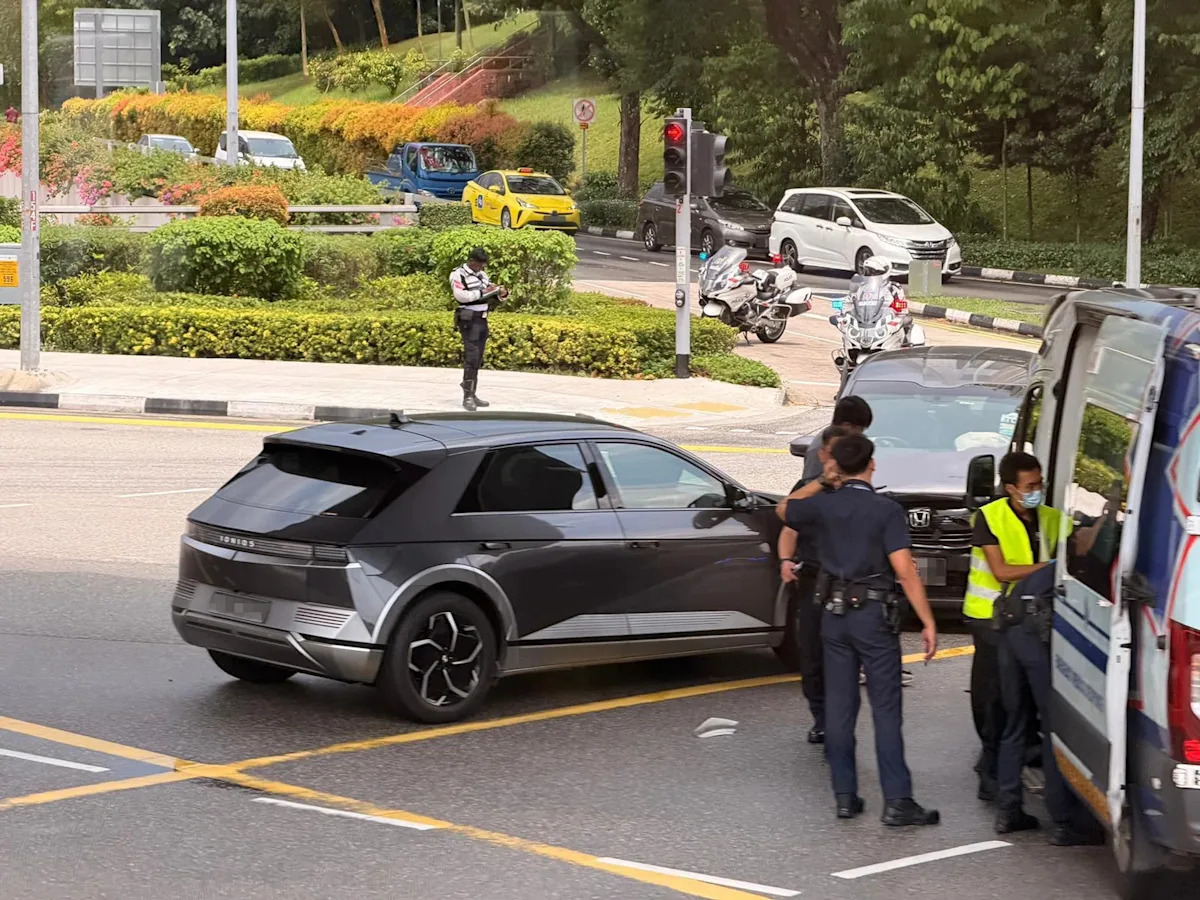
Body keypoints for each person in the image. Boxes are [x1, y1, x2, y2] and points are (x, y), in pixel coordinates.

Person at [778, 433, 940, 825]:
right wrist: (928, 620)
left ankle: (845, 796)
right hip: (872, 614)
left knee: (840, 705)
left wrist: (821, 480)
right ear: (872, 464)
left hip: (833, 613)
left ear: (836, 465)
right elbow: (905, 570)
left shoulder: (822, 505)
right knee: (885, 708)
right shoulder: (885, 511)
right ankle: (898, 801)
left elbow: (784, 509)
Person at [979, 452, 1104, 846]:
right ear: (1010, 487)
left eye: (1040, 484)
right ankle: (1065, 820)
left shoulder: (1051, 518)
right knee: (1048, 722)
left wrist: (1105, 519)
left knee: (1018, 722)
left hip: (1025, 626)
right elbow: (1001, 571)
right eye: (1030, 486)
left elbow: (1081, 544)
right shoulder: (989, 516)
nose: (1037, 492)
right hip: (1012, 627)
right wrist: (1054, 567)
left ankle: (1009, 809)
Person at [779, 423, 849, 745]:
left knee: (842, 658)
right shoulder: (808, 488)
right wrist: (785, 561)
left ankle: (839, 720)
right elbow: (788, 523)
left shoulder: (857, 491)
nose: (833, 460)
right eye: (829, 453)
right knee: (811, 657)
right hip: (812, 583)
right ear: (822, 455)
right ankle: (821, 719)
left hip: (848, 586)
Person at [450, 247, 508, 412]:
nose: (481, 268)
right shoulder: (458, 274)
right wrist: (484, 292)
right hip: (469, 319)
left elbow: (491, 291)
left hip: (482, 319)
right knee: (471, 356)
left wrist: (501, 292)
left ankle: (472, 392)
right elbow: (461, 296)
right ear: (472, 261)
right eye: (479, 264)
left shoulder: (482, 275)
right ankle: (467, 396)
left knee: (478, 358)